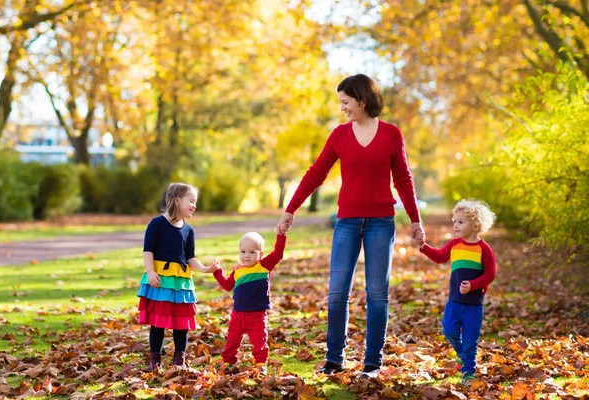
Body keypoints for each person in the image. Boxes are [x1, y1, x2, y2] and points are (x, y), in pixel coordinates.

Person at [276, 74, 424, 379]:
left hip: (382, 223)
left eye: (346, 101)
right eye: (341, 102)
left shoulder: (392, 134)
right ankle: (334, 360)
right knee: (337, 293)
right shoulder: (339, 135)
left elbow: (404, 180)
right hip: (347, 222)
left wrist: (414, 220)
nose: (342, 107)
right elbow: (315, 174)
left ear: (363, 100)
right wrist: (291, 209)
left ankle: (372, 363)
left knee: (377, 293)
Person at [137, 183, 218, 371]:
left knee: (181, 323)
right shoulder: (157, 224)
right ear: (176, 199)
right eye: (191, 201)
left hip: (181, 283)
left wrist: (206, 269)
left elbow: (190, 257)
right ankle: (155, 361)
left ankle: (179, 361)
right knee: (158, 322)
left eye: (195, 202)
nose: (194, 205)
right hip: (161, 280)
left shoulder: (189, 230)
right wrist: (150, 272)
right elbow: (147, 250)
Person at [416, 199, 496, 385]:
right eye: (454, 221)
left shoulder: (484, 249)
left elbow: (490, 274)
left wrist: (474, 285)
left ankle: (468, 371)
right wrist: (423, 247)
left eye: (460, 222)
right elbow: (439, 257)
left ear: (475, 225)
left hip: (474, 304)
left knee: (470, 340)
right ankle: (463, 355)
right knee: (449, 330)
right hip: (454, 301)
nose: (455, 225)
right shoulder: (454, 244)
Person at [212, 231, 287, 376]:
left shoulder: (264, 266)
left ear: (261, 253)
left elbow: (278, 253)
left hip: (256, 315)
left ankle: (260, 364)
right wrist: (218, 273)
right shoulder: (237, 272)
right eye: (243, 251)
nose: (246, 255)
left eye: (252, 252)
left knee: (259, 341)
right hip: (237, 314)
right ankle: (228, 362)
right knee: (232, 340)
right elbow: (227, 285)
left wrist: (281, 236)